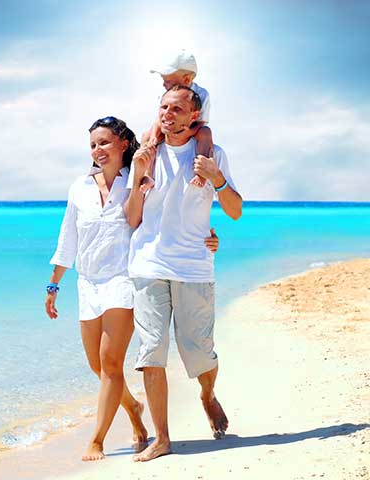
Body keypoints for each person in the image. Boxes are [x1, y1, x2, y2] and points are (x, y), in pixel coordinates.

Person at [45, 116, 220, 461]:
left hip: (125, 280)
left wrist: (208, 237)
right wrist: (54, 284)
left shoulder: (140, 176)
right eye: (93, 145)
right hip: (88, 283)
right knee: (97, 366)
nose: (98, 150)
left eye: (105, 142)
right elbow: (68, 239)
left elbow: (172, 216)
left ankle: (96, 440)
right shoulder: (80, 187)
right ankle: (133, 410)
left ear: (123, 144)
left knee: (111, 364)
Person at [125, 85, 243, 462]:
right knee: (151, 351)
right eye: (163, 107)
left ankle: (207, 395)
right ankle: (162, 438)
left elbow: (236, 211)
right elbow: (131, 219)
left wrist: (217, 178)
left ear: (195, 116)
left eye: (176, 108)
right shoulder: (147, 154)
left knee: (199, 352)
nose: (167, 114)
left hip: (193, 267)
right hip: (147, 265)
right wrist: (139, 175)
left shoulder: (212, 154)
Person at [139, 49, 214, 192]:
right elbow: (158, 121)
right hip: (168, 127)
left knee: (205, 133)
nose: (163, 85)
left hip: (192, 129)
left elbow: (201, 122)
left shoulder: (201, 94)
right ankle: (147, 174)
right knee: (146, 136)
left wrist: (188, 132)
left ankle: (201, 174)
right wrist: (154, 137)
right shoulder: (166, 95)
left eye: (167, 81)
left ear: (186, 79)